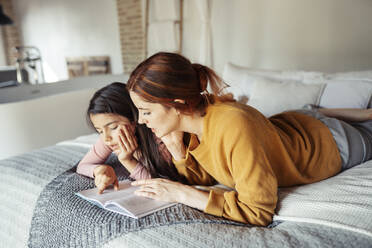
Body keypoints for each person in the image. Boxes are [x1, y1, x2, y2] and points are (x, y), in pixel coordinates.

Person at [126, 52, 372, 226]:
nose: (140, 120)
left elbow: (258, 211)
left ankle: (359, 114)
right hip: (292, 122)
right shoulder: (191, 122)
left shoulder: (233, 125)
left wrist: (181, 194)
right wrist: (178, 151)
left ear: (178, 105)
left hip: (326, 142)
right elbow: (209, 176)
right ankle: (318, 109)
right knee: (308, 110)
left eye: (146, 111)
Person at [76, 82, 186, 194]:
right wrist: (99, 170)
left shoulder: (160, 138)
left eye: (113, 127)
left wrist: (128, 160)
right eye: (99, 131)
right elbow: (83, 166)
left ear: (134, 119)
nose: (106, 138)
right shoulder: (108, 139)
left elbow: (161, 187)